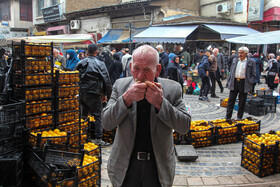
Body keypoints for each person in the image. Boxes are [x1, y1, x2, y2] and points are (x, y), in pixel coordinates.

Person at [102, 44, 191, 187]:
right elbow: (106, 123)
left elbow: (184, 126)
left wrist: (161, 103)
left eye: (147, 70)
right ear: (131, 66)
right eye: (136, 68)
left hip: (158, 168)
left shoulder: (172, 89)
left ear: (158, 69)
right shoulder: (120, 86)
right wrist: (126, 99)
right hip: (125, 166)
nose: (140, 76)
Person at [74, 44, 112, 146]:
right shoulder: (100, 64)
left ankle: (80, 135)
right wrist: (108, 95)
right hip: (94, 93)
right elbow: (106, 80)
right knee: (98, 116)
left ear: (87, 52)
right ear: (96, 52)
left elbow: (74, 77)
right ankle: (98, 139)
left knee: (83, 115)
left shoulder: (80, 63)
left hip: (82, 93)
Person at [226, 47, 256, 120]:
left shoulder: (251, 61)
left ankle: (239, 117)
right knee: (231, 100)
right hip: (235, 81)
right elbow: (231, 70)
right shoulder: (235, 60)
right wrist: (229, 80)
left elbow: (254, 74)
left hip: (244, 82)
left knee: (242, 101)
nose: (240, 54)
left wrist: (250, 82)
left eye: (241, 53)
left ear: (246, 53)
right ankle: (228, 117)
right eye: (239, 52)